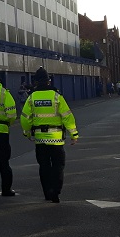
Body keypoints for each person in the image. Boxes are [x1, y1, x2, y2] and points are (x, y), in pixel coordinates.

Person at [21, 67, 79, 203]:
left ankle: (47, 192)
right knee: (58, 166)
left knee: (44, 166)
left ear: (35, 82)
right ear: (48, 81)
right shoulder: (56, 96)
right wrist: (74, 135)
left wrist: (27, 132)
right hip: (56, 139)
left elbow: (25, 118)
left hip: (40, 140)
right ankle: (55, 191)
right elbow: (67, 117)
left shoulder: (32, 97)